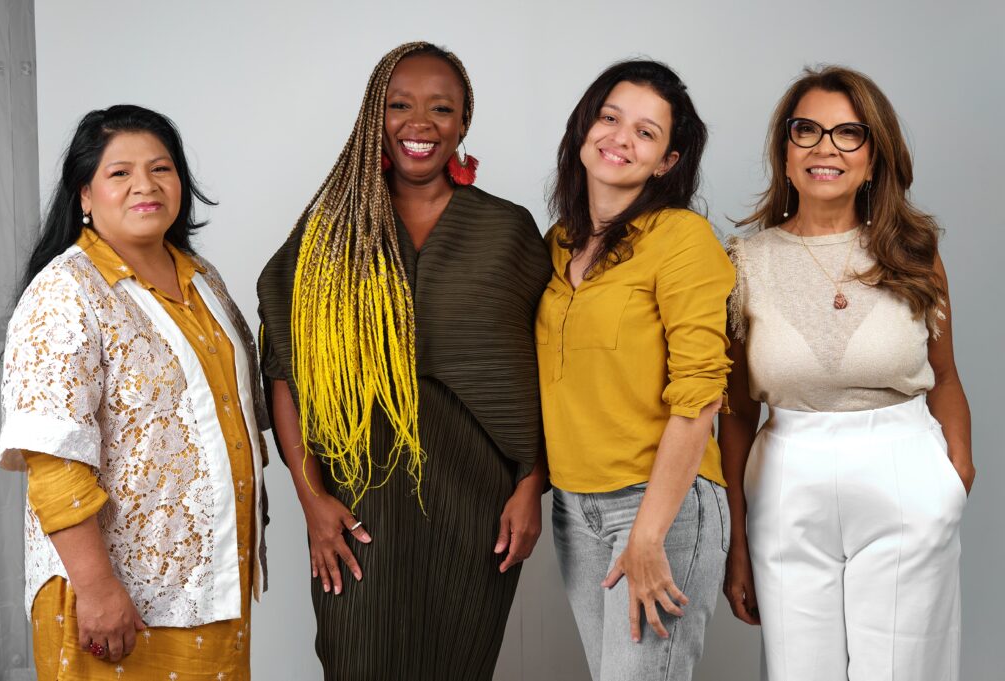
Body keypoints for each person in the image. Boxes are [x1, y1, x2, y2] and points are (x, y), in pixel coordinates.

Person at [257, 41, 550, 681]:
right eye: (400, 105)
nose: (420, 124)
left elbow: (547, 368)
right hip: (357, 503)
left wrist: (530, 487)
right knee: (359, 659)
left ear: (464, 123)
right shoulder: (329, 232)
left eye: (442, 108)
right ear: (373, 115)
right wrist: (313, 500)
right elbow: (285, 371)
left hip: (477, 506)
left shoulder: (507, 230)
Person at [0, 105, 269, 681]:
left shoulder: (202, 279)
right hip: (115, 597)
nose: (144, 185)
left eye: (161, 168)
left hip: (209, 584)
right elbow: (52, 463)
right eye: (119, 173)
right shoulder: (65, 293)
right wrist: (97, 590)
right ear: (86, 195)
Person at [721, 66, 974, 681]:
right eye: (806, 130)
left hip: (903, 468)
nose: (824, 148)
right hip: (784, 478)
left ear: (873, 157)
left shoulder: (915, 253)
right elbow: (734, 410)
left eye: (848, 133)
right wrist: (737, 538)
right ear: (784, 152)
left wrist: (955, 477)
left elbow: (944, 378)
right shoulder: (741, 263)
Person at [537, 60, 734, 681]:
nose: (620, 139)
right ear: (584, 127)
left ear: (668, 161)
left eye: (646, 133)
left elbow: (700, 396)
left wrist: (648, 534)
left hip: (661, 509)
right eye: (610, 117)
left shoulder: (682, 239)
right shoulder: (558, 240)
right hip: (575, 511)